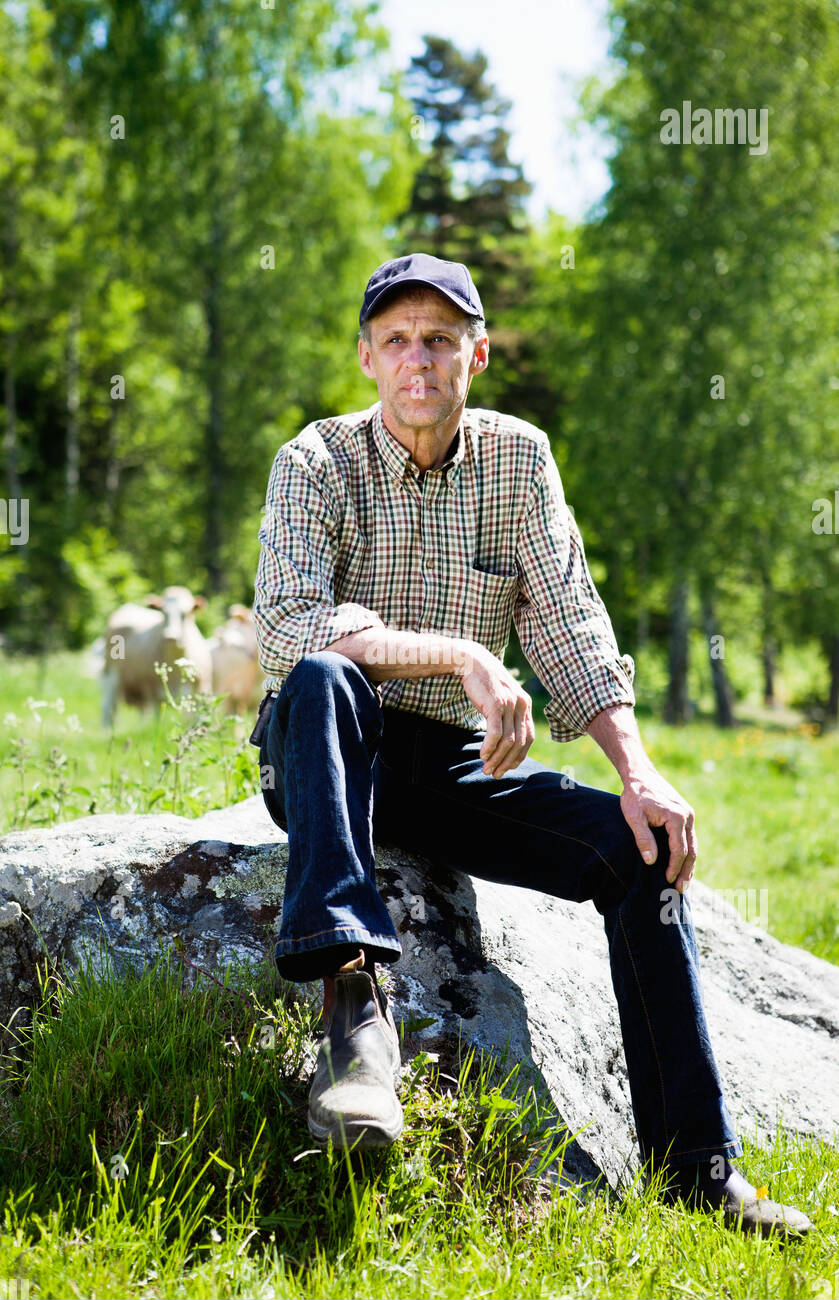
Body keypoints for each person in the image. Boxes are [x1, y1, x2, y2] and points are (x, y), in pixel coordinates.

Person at [250, 252, 810, 1238]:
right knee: (327, 675)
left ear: (477, 352)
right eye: (395, 341)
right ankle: (352, 1019)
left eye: (436, 340)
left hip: (450, 767)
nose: (415, 360)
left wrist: (639, 774)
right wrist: (460, 650)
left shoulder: (518, 460)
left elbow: (569, 626)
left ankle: (695, 1171)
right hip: (328, 748)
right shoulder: (313, 461)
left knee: (642, 853)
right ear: (365, 359)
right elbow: (294, 631)